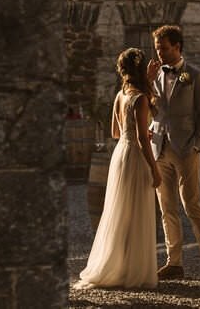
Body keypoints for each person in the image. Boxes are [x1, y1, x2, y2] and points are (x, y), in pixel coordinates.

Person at [75, 48, 162, 289]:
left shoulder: (121, 94)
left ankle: (116, 265)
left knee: (119, 212)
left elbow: (115, 132)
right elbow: (143, 140)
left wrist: (138, 131)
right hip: (136, 157)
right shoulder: (141, 98)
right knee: (136, 212)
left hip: (120, 155)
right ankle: (134, 271)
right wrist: (154, 169)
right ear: (140, 69)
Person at [146, 24, 200, 284]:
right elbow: (150, 110)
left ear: (177, 47)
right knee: (166, 208)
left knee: (192, 205)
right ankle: (174, 263)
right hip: (159, 149)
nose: (160, 54)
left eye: (164, 49)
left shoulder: (195, 75)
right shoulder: (153, 75)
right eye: (157, 49)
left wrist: (198, 145)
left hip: (186, 148)